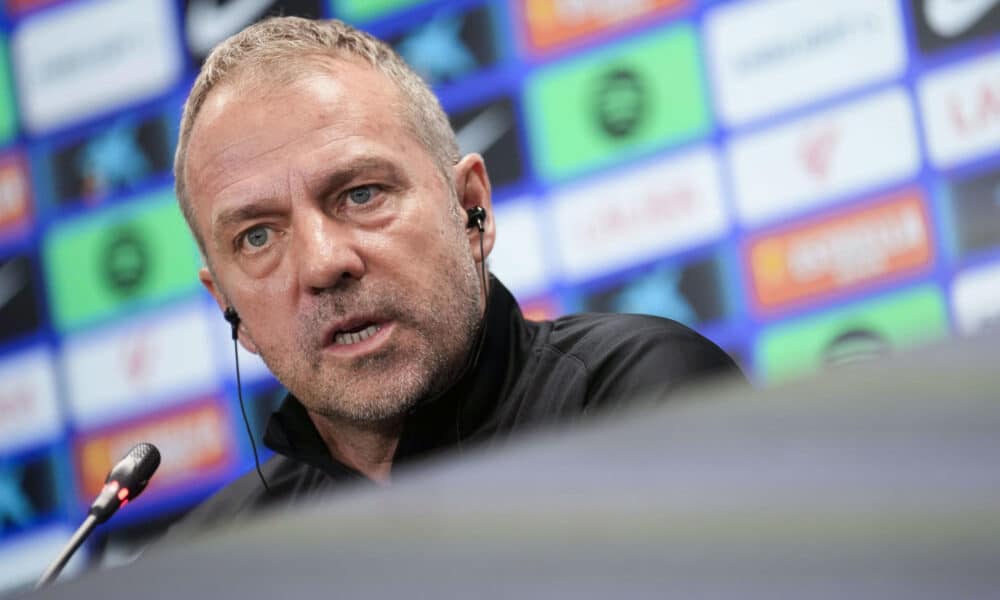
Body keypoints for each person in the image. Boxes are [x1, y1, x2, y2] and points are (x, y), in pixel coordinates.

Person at [165, 16, 742, 537]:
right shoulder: (217, 555)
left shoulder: (637, 397)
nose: (322, 264)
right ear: (228, 308)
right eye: (258, 237)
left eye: (360, 194)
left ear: (471, 209)